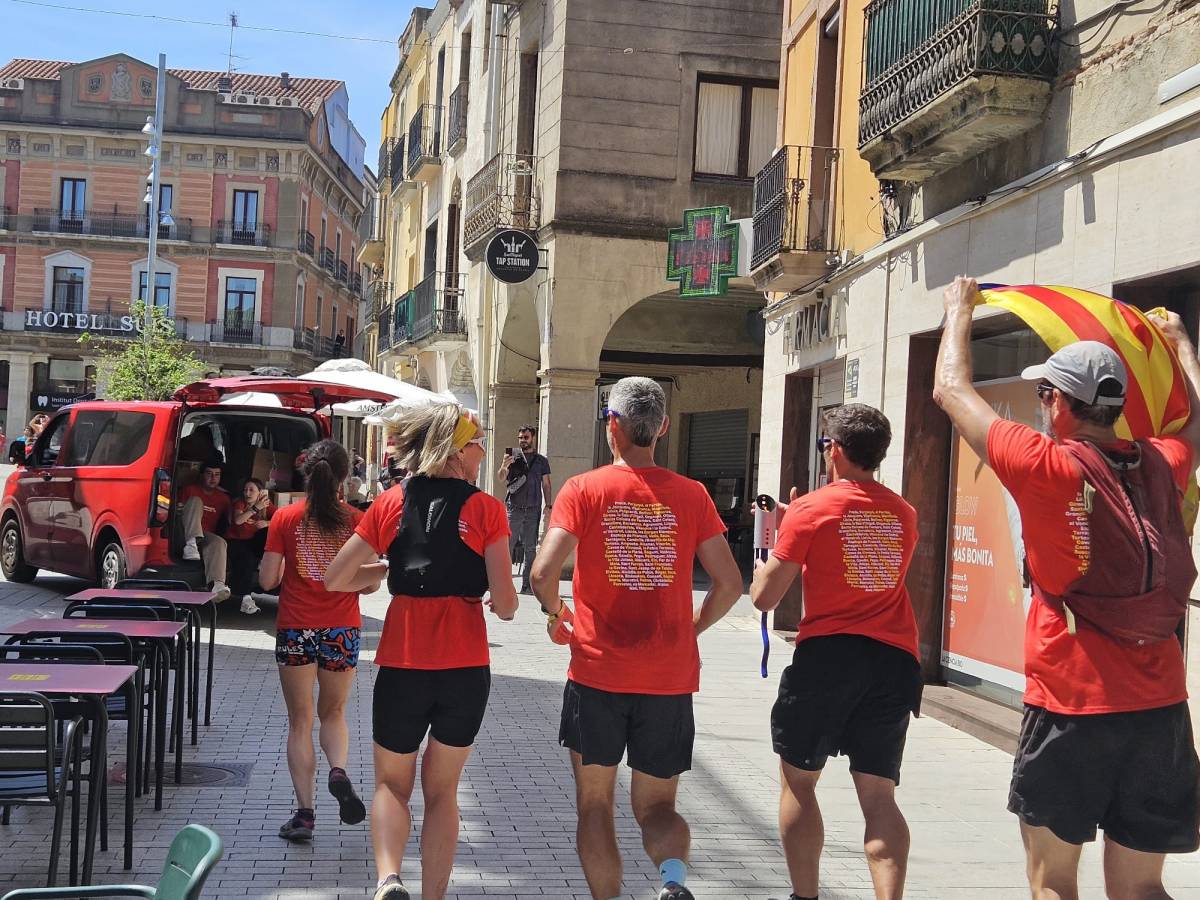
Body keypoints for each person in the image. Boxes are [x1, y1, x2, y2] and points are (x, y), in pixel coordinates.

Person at [933, 275, 1200, 900]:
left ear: (1058, 402)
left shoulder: (1044, 463)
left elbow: (951, 389)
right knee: (1141, 890)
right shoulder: (1161, 461)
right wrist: (1183, 344)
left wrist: (958, 310)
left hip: (1069, 708)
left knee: (1053, 881)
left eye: (1045, 393)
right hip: (1160, 710)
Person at [530, 376, 743, 900]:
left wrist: (559, 615)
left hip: (597, 674)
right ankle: (672, 881)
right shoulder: (692, 496)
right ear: (663, 428)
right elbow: (731, 583)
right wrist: (691, 629)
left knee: (595, 804)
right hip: (667, 679)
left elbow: (541, 572)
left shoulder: (584, 489)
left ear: (613, 426)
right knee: (658, 808)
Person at [326, 404, 518, 900]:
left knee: (392, 784)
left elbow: (336, 577)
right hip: (464, 669)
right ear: (460, 451)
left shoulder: (392, 502)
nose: (483, 452)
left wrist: (388, 572)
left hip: (403, 666)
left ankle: (389, 879)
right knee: (442, 792)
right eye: (478, 443)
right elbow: (508, 607)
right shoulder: (487, 509)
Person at [751, 404, 921, 900]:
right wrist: (800, 523)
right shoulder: (903, 512)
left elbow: (764, 596)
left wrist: (788, 531)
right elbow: (859, 551)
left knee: (799, 785)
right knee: (878, 798)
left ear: (836, 450)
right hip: (893, 661)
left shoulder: (812, 509)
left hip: (828, 659)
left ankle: (805, 896)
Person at [259, 440, 369, 844]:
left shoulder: (285, 518)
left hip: (295, 629)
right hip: (342, 629)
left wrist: (293, 560)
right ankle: (338, 769)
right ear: (344, 477)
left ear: (305, 473)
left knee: (299, 721)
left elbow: (267, 580)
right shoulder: (356, 520)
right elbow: (370, 585)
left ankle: (304, 815)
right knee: (334, 713)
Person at [498, 424, 552, 594]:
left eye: (525, 437)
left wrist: (548, 505)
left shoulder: (541, 460)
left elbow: (546, 484)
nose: (522, 441)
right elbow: (501, 479)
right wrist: (504, 466)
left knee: (530, 548)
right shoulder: (512, 457)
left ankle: (527, 585)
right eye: (520, 438)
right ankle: (504, 584)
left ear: (533, 438)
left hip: (533, 508)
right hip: (513, 507)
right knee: (508, 546)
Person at [180, 460, 232, 601]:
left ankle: (217, 585)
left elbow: (230, 522)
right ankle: (191, 544)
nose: (213, 478)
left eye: (217, 475)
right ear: (202, 475)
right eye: (209, 474)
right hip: (183, 533)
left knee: (219, 542)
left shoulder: (223, 498)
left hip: (204, 537)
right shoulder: (190, 490)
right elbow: (178, 512)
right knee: (196, 500)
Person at [226, 478, 274, 614]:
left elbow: (281, 518)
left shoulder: (266, 505)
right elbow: (238, 520)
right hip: (236, 541)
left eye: (251, 490)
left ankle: (264, 560)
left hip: (253, 542)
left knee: (266, 532)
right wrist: (254, 508)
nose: (247, 493)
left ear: (260, 493)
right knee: (247, 559)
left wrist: (267, 523)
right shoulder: (240, 504)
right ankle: (246, 599)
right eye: (245, 490)